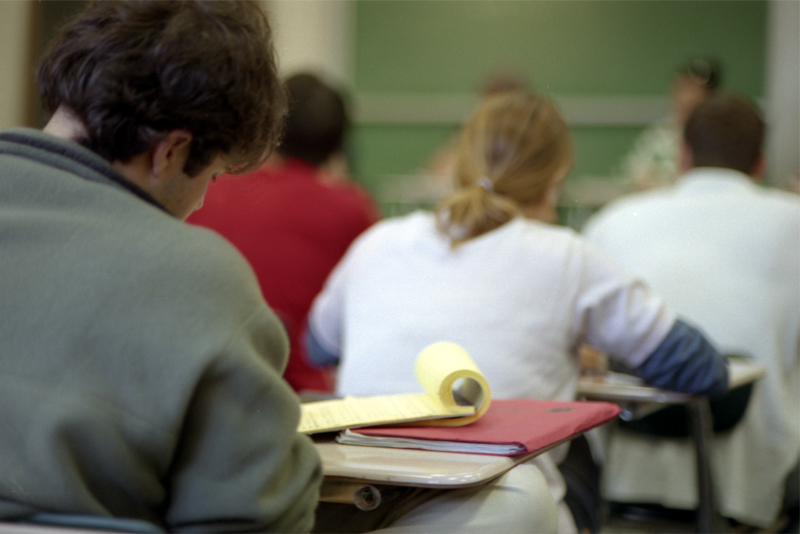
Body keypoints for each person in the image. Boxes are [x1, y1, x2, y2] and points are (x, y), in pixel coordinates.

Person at [306, 90, 730, 533]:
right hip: (497, 511)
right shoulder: (567, 256)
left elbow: (319, 346)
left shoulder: (379, 241)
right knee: (580, 448)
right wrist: (596, 356)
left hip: (356, 504)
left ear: (459, 163)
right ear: (556, 178)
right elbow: (701, 368)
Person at [0, 1, 322, 531]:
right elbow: (256, 519)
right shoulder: (201, 281)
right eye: (212, 177)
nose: (199, 203)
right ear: (171, 152)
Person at [583, 93, 799, 530]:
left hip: (621, 482)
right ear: (760, 163)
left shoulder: (612, 219)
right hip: (751, 487)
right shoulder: (792, 221)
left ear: (683, 156)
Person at [187, 72, 379, 394]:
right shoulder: (352, 210)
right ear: (338, 144)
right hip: (302, 399)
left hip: (203, 386)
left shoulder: (207, 191)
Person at [617, 58, 722, 191]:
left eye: (695, 90)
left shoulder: (719, 136)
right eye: (683, 88)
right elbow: (632, 175)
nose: (687, 98)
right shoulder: (660, 134)